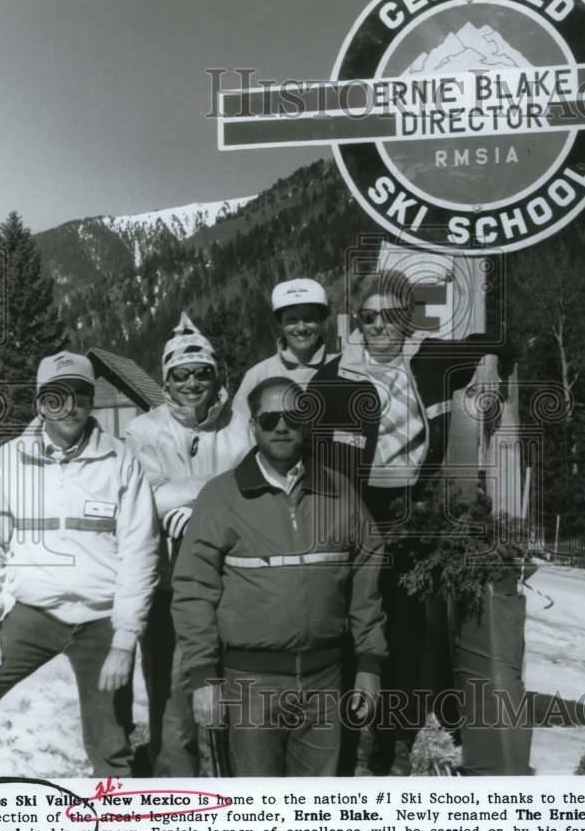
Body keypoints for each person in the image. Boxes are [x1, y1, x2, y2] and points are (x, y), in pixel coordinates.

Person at [306, 268, 511, 774]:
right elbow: (310, 455)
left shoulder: (430, 363)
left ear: (407, 320)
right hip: (353, 515)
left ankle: (394, 752)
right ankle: (346, 755)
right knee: (353, 633)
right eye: (368, 316)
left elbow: (501, 341)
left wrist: (492, 369)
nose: (378, 326)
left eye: (390, 316)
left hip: (412, 517)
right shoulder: (333, 377)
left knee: (406, 639)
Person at [171, 377, 387, 777]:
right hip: (250, 685)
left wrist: (369, 665)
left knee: (316, 814)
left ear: (306, 423)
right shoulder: (221, 497)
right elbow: (192, 591)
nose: (282, 427)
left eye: (293, 417)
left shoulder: (339, 494)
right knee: (257, 814)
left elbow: (367, 584)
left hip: (325, 682)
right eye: (270, 419)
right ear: (253, 426)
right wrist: (203, 676)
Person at [0, 352, 159, 778]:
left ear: (92, 400)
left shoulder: (120, 460)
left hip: (102, 620)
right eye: (57, 397)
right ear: (40, 403)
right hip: (34, 615)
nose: (70, 407)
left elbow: (141, 552)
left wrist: (125, 640)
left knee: (111, 747)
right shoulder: (8, 461)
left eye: (80, 395)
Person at [125, 313, 249, 775]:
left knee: (228, 698)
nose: (192, 382)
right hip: (168, 590)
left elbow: (250, 489)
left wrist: (188, 496)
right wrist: (216, 496)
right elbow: (148, 495)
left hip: (233, 582)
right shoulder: (143, 430)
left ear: (217, 375)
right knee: (172, 704)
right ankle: (174, 797)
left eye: (203, 372)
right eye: (181, 374)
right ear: (166, 378)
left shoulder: (241, 424)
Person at [231, 278, 336, 424]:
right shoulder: (258, 375)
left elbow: (361, 429)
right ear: (280, 324)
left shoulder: (344, 369)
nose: (301, 328)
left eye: (309, 319)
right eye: (291, 320)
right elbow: (240, 430)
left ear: (321, 321)